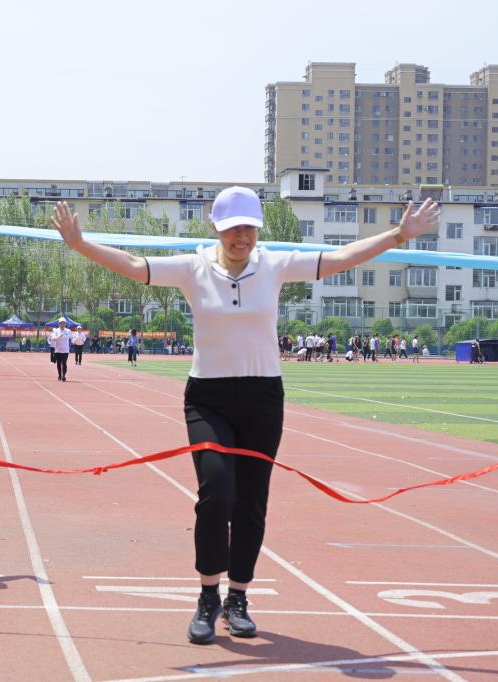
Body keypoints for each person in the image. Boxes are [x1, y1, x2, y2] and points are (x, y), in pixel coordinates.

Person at [52, 186, 439, 645]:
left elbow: (339, 259)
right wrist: (79, 245)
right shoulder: (193, 268)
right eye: (234, 228)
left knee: (252, 501)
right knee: (216, 492)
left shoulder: (274, 264)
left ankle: (238, 597)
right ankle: (207, 595)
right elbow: (136, 267)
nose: (243, 237)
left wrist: (397, 234)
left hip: (262, 396)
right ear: (217, 228)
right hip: (208, 398)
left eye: (250, 228)